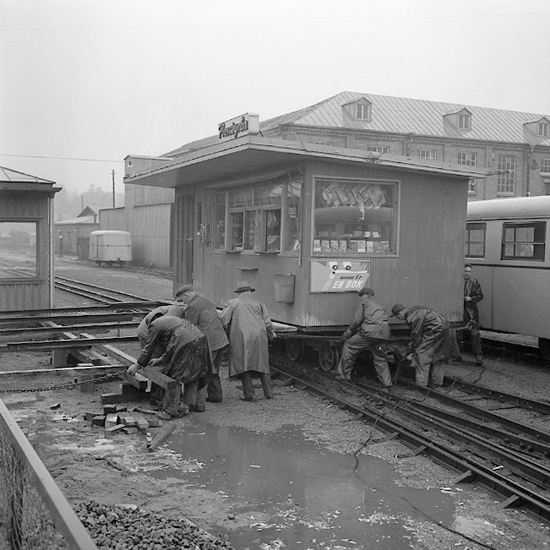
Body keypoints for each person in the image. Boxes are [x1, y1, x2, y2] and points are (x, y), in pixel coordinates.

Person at [127, 314, 211, 420]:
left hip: (183, 340)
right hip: (201, 338)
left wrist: (137, 365)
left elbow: (149, 347)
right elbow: (171, 348)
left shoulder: (154, 325)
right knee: (193, 372)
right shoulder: (172, 321)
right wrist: (160, 360)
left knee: (173, 375)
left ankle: (169, 411)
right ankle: (186, 406)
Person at [219, 281, 276, 401]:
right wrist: (271, 334)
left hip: (240, 336)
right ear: (249, 292)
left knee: (242, 363)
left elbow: (224, 320)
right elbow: (267, 323)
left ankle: (250, 394)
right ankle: (269, 393)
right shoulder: (259, 303)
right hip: (259, 335)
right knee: (262, 363)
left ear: (238, 293)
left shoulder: (232, 303)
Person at [175, 284, 229, 410]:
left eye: (183, 300)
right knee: (214, 369)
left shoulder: (192, 307)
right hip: (220, 340)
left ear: (186, 295)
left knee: (202, 371)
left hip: (209, 343)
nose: (184, 303)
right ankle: (216, 396)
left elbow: (189, 329)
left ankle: (199, 404)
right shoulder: (207, 302)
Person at [334, 287, 392, 388]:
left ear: (365, 295)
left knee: (349, 345)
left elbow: (357, 320)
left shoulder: (364, 302)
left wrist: (348, 332)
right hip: (384, 334)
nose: (360, 298)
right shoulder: (380, 305)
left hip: (369, 333)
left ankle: (343, 375)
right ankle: (387, 384)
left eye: (360, 296)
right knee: (380, 359)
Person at [391, 303, 458, 388]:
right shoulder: (415, 309)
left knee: (421, 355)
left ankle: (421, 386)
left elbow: (416, 335)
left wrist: (412, 351)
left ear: (400, 313)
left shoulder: (411, 316)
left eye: (397, 317)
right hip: (446, 327)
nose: (399, 318)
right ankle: (437, 383)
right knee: (438, 355)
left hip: (435, 329)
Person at [463, 264, 484, 365]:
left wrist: (471, 298)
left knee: (475, 335)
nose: (467, 273)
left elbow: (480, 295)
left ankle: (478, 357)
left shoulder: (474, 282)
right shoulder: (457, 282)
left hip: (471, 312)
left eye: (469, 271)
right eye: (466, 271)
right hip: (460, 312)